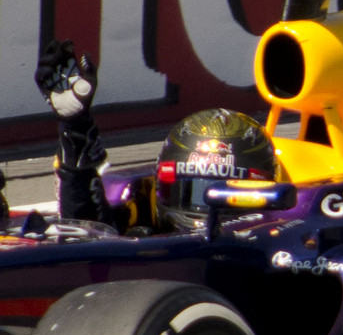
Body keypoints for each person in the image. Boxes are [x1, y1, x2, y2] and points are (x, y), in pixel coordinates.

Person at [36, 40, 280, 232]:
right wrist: (75, 125)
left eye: (225, 198)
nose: (204, 211)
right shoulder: (141, 217)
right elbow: (88, 230)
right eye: (191, 191)